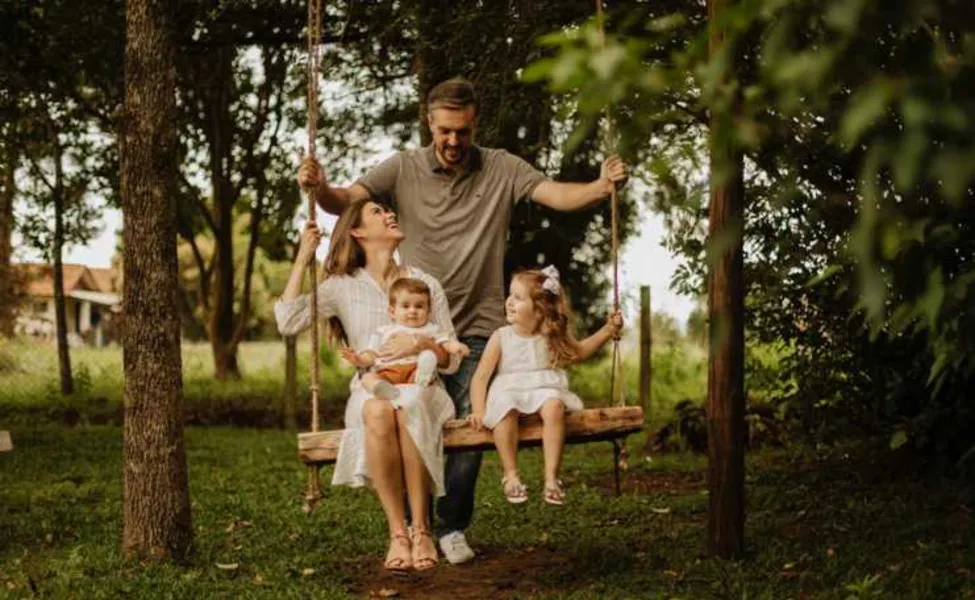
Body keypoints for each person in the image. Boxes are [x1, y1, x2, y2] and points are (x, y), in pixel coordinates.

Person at [298, 77, 628, 564]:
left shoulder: (502, 167)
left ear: (476, 125)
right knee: (409, 419)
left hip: (476, 327)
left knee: (473, 423)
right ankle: (412, 526)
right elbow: (345, 200)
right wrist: (319, 186)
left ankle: (451, 525)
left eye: (464, 131)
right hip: (417, 328)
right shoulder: (403, 167)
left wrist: (602, 186)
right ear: (429, 123)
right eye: (445, 131)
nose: (454, 141)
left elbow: (555, 195)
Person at [275, 198, 460, 572]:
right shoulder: (341, 287)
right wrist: (303, 257)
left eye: (389, 210)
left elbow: (452, 359)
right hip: (373, 386)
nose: (390, 214)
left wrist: (420, 345)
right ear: (357, 232)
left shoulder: (425, 284)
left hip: (423, 386)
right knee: (377, 410)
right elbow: (288, 322)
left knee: (408, 407)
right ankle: (397, 533)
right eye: (378, 212)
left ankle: (422, 528)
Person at [468, 266, 623, 505]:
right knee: (505, 408)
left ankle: (551, 478)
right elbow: (480, 377)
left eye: (518, 298)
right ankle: (511, 475)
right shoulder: (501, 336)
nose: (509, 302)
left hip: (542, 391)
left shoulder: (550, 334)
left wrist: (608, 330)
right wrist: (479, 410)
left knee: (554, 405)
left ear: (539, 310)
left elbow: (580, 352)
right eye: (510, 295)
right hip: (509, 394)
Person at [341, 277, 469, 402]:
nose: (412, 311)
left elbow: (445, 342)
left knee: (428, 359)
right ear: (392, 312)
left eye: (419, 306)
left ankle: (421, 380)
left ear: (428, 311)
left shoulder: (430, 329)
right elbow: (372, 354)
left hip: (415, 369)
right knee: (367, 378)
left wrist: (456, 347)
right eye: (406, 306)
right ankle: (383, 389)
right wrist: (359, 359)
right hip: (387, 373)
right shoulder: (383, 332)